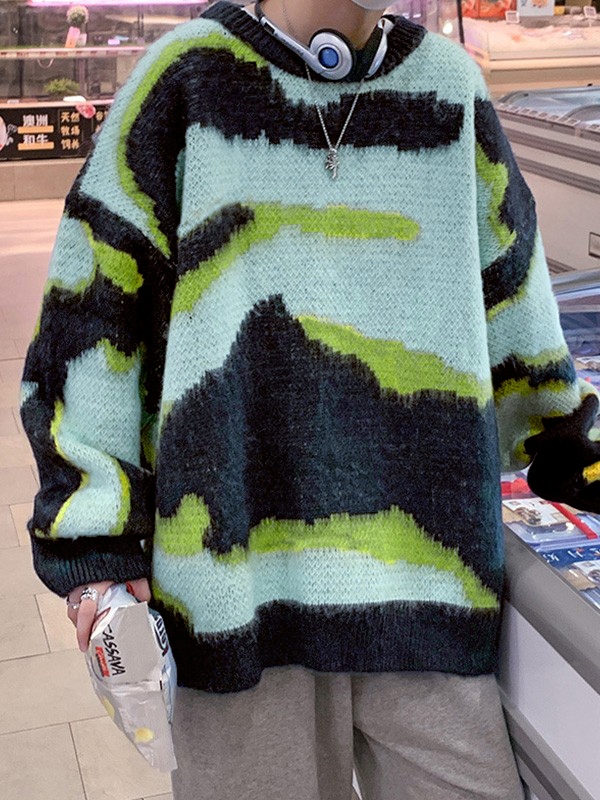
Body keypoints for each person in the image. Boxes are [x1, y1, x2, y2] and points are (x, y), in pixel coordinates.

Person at [20, 1, 600, 798]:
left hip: (426, 581)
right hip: (236, 594)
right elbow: (90, 320)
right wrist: (94, 542)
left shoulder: (450, 88)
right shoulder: (186, 81)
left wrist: (565, 446)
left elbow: (515, 299)